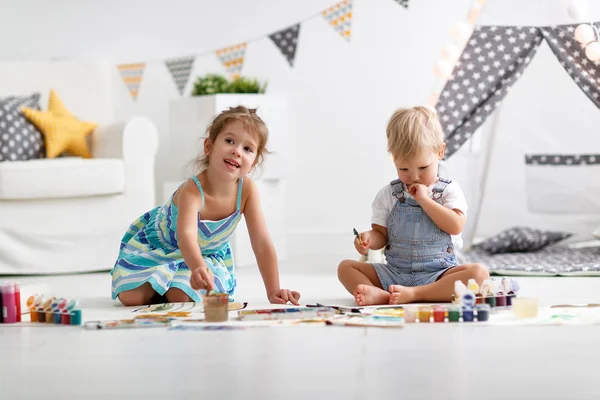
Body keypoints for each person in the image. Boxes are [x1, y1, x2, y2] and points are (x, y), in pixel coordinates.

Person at [111, 106, 300, 306]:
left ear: (252, 164)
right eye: (229, 141)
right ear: (208, 147)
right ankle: (157, 283)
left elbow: (261, 243)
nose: (237, 151)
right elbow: (187, 237)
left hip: (205, 256)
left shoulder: (247, 191)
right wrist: (197, 267)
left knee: (180, 297)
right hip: (163, 248)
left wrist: (273, 290)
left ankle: (171, 287)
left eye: (247, 149)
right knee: (131, 298)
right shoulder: (193, 190)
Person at [337, 106, 488, 305]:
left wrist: (425, 200)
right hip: (395, 273)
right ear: (394, 160)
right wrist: (368, 240)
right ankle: (381, 294)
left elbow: (455, 225)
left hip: (438, 274)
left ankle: (418, 294)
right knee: (346, 268)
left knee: (479, 273)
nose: (414, 176)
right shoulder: (388, 195)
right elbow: (381, 236)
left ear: (440, 152)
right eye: (404, 168)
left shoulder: (448, 191)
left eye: (423, 167)